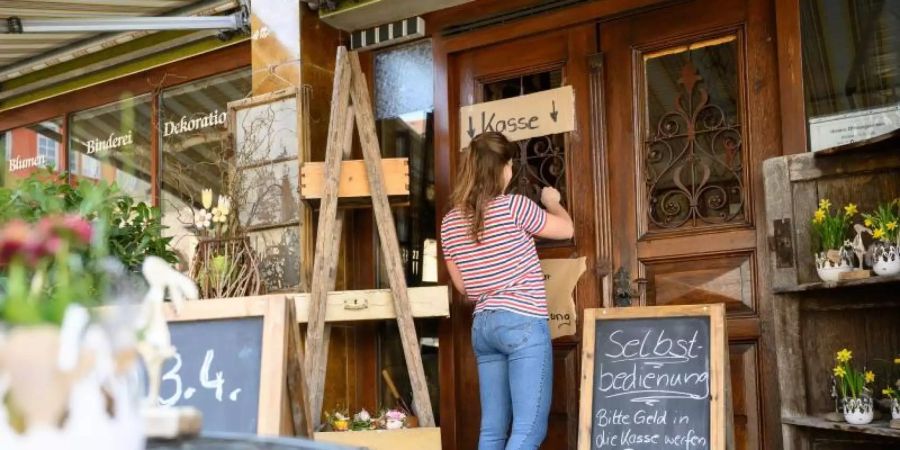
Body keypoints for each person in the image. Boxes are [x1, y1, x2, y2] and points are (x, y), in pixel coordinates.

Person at [440, 132, 574, 450]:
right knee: (528, 432)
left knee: (492, 431)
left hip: (484, 327)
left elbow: (464, 287)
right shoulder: (515, 207)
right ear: (504, 169)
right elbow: (567, 229)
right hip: (522, 322)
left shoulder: (449, 223)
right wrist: (553, 203)